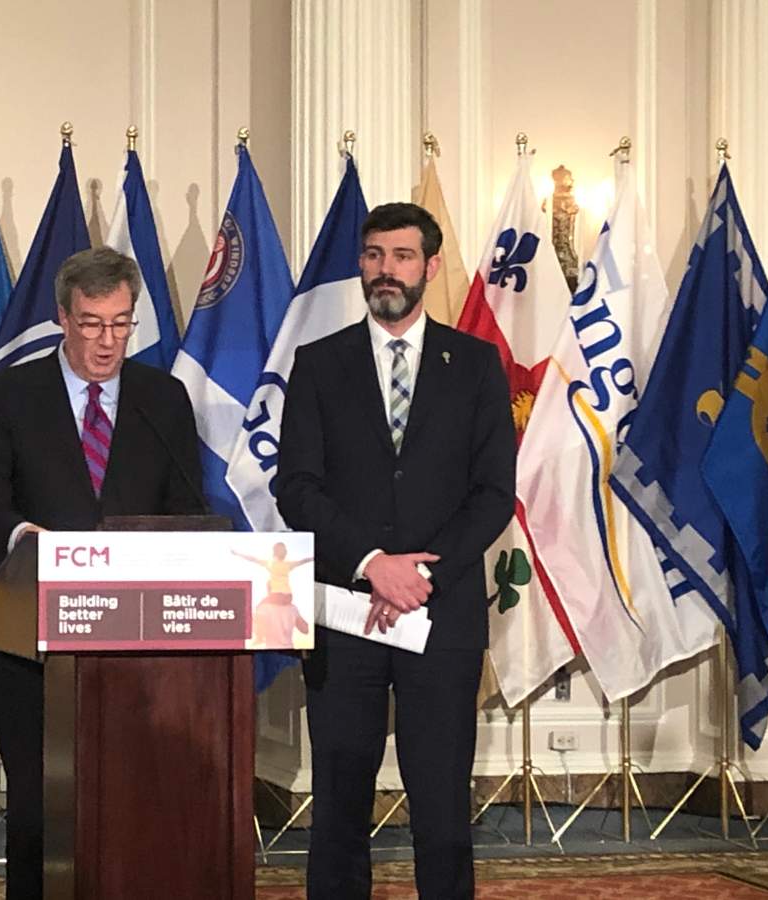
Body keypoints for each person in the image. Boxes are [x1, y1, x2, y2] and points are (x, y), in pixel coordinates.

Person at [275, 203, 515, 900]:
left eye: (403, 256)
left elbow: (494, 492)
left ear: (430, 267)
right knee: (340, 809)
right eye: (375, 255)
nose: (387, 270)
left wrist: (419, 576)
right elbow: (297, 486)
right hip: (344, 613)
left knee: (441, 810)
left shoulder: (475, 366)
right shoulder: (318, 365)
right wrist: (373, 565)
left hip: (442, 620)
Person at [0, 246, 206, 899]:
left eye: (121, 323)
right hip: (31, 635)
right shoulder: (14, 392)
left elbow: (188, 506)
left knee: (132, 803)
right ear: (64, 318)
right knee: (41, 807)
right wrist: (22, 538)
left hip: (139, 642)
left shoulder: (164, 397)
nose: (107, 340)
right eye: (93, 323)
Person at [231, 543, 312, 647]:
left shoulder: (270, 564)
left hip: (276, 595)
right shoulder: (288, 565)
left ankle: (259, 637)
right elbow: (302, 561)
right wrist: (313, 558)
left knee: (258, 607)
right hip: (288, 596)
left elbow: (253, 559)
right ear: (284, 554)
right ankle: (259, 636)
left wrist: (237, 553)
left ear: (274, 553)